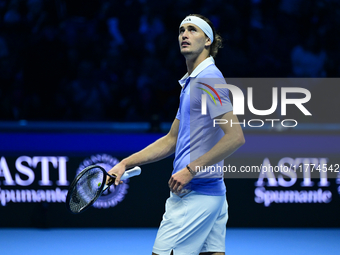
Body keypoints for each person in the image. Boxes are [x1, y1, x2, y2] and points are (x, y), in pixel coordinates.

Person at [108, 14, 245, 255]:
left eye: (192, 30)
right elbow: (171, 139)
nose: (184, 34)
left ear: (208, 41)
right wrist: (125, 163)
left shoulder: (208, 79)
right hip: (212, 193)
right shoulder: (193, 83)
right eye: (182, 30)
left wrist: (191, 170)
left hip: (194, 196)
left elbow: (235, 137)